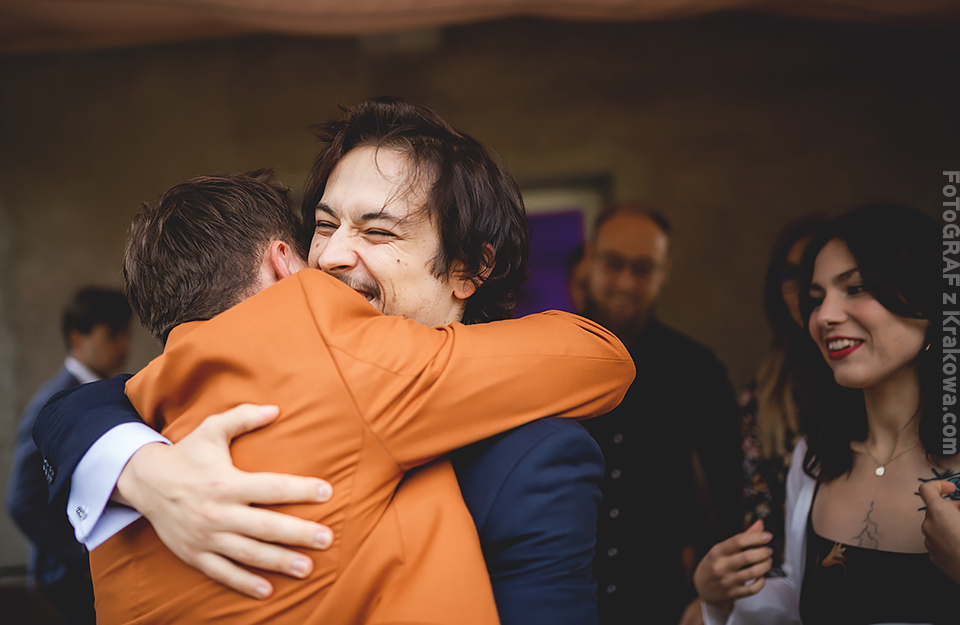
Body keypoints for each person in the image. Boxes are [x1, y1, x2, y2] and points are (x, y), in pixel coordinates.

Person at [36, 98, 624, 623]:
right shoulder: (151, 425)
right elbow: (84, 407)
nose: (333, 255)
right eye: (323, 225)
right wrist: (139, 468)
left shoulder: (533, 458)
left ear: (468, 267)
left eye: (379, 232)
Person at [695, 204, 958, 624]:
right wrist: (721, 600)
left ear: (927, 301)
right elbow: (799, 599)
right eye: (816, 299)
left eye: (856, 288)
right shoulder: (815, 458)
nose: (824, 317)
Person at [577, 202, 743, 624]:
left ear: (665, 271)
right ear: (589, 257)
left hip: (660, 598)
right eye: (613, 263)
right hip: (561, 593)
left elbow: (732, 490)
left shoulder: (697, 369)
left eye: (643, 269)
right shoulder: (545, 356)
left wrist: (711, 596)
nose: (625, 282)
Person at [6, 287, 132, 625]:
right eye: (113, 334)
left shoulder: (108, 390)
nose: (124, 345)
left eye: (126, 333)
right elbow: (22, 500)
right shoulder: (53, 402)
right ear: (78, 338)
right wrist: (83, 552)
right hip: (69, 578)